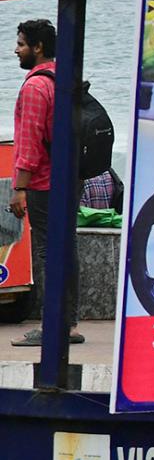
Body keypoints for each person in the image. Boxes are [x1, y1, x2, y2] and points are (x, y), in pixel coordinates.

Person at [9, 19, 83, 346]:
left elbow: (28, 145)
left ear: (37, 47)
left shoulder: (35, 87)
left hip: (42, 184)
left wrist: (19, 188)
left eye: (22, 43)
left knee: (46, 253)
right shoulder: (62, 79)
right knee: (67, 249)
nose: (16, 49)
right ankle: (68, 324)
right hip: (69, 179)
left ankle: (51, 325)